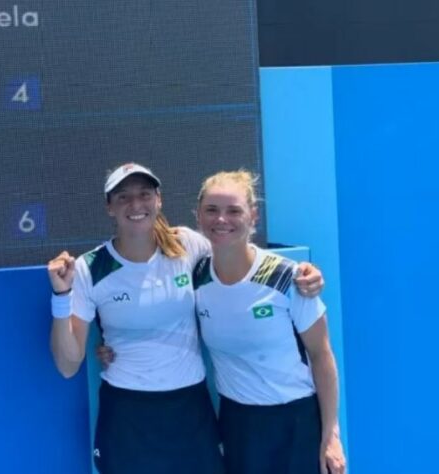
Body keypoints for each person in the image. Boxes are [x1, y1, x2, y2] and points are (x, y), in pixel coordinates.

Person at [48, 163, 323, 474]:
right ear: (109, 207)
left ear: (159, 200)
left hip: (190, 408)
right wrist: (61, 296)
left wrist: (299, 274)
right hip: (126, 413)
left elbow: (237, 253)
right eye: (123, 197)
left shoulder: (186, 245)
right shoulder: (90, 268)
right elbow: (68, 365)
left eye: (144, 194)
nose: (136, 205)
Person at [192, 170, 345, 474]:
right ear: (198, 216)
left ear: (253, 216)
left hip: (297, 422)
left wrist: (332, 436)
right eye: (212, 210)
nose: (221, 220)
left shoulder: (289, 278)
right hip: (237, 424)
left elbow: (321, 355)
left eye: (234, 210)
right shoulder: (195, 276)